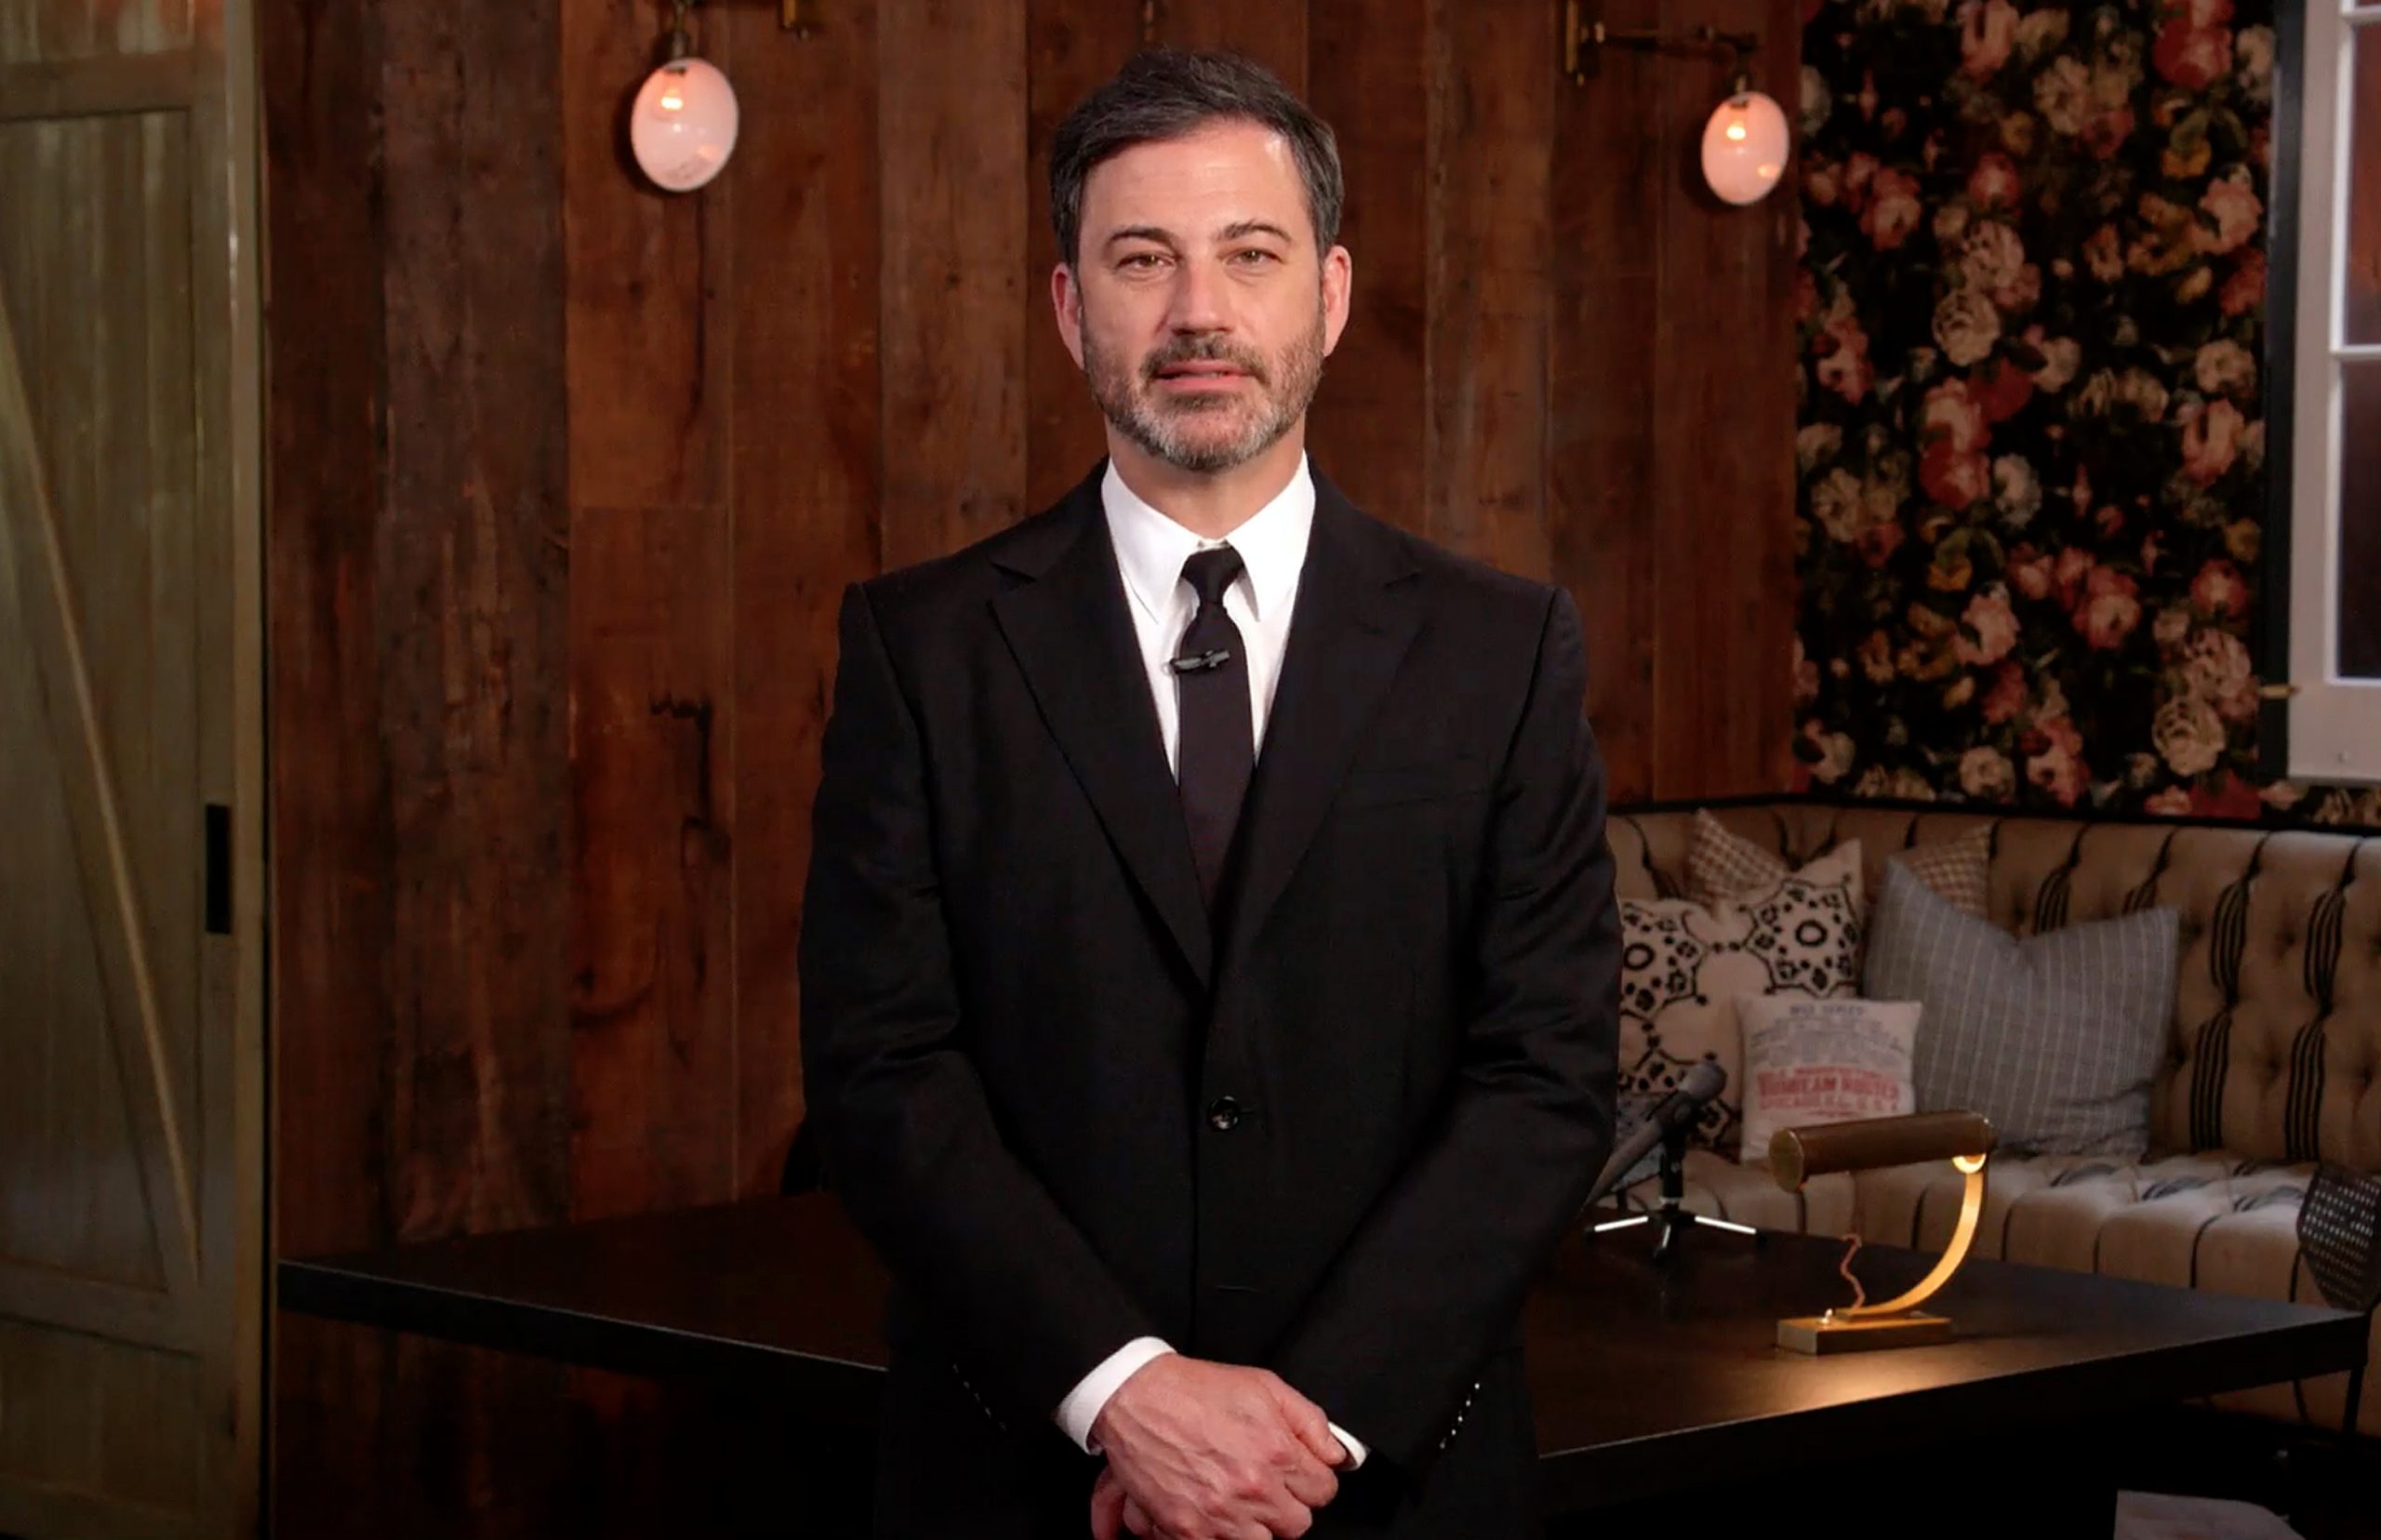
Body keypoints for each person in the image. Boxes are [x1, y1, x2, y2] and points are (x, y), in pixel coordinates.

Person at [798, 47, 1620, 1540]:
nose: (1198, 311)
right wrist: (1126, 1395)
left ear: (1331, 294)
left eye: (1251, 254)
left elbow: (1545, 1077)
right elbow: (883, 1073)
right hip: (1028, 1482)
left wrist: (1306, 1433)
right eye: (1142, 259)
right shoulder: (923, 651)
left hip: (1390, 1485)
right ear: (1071, 308)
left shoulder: (1501, 653)